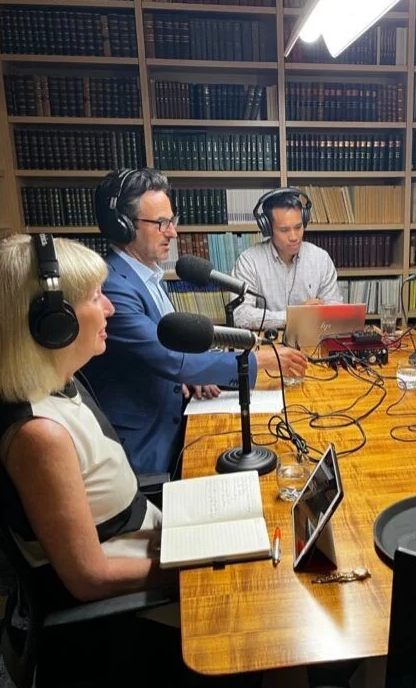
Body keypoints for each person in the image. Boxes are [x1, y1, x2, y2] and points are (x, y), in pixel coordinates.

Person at [0, 235, 271, 688]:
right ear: (52, 321)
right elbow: (91, 577)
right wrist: (201, 576)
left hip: (153, 540)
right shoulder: (38, 436)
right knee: (276, 622)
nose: (109, 308)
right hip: (125, 614)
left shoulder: (59, 385)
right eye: (93, 297)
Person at [81, 168, 307, 475]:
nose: (172, 233)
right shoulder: (114, 289)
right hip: (147, 447)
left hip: (176, 418)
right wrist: (262, 358)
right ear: (123, 226)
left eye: (172, 221)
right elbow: (171, 358)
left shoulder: (146, 277)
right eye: (161, 223)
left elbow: (156, 358)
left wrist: (189, 377)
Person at [231, 187, 342, 330]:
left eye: (298, 227)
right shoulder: (249, 261)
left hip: (312, 341)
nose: (294, 237)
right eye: (284, 230)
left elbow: (336, 311)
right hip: (269, 345)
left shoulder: (320, 259)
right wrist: (293, 316)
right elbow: (240, 315)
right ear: (268, 229)